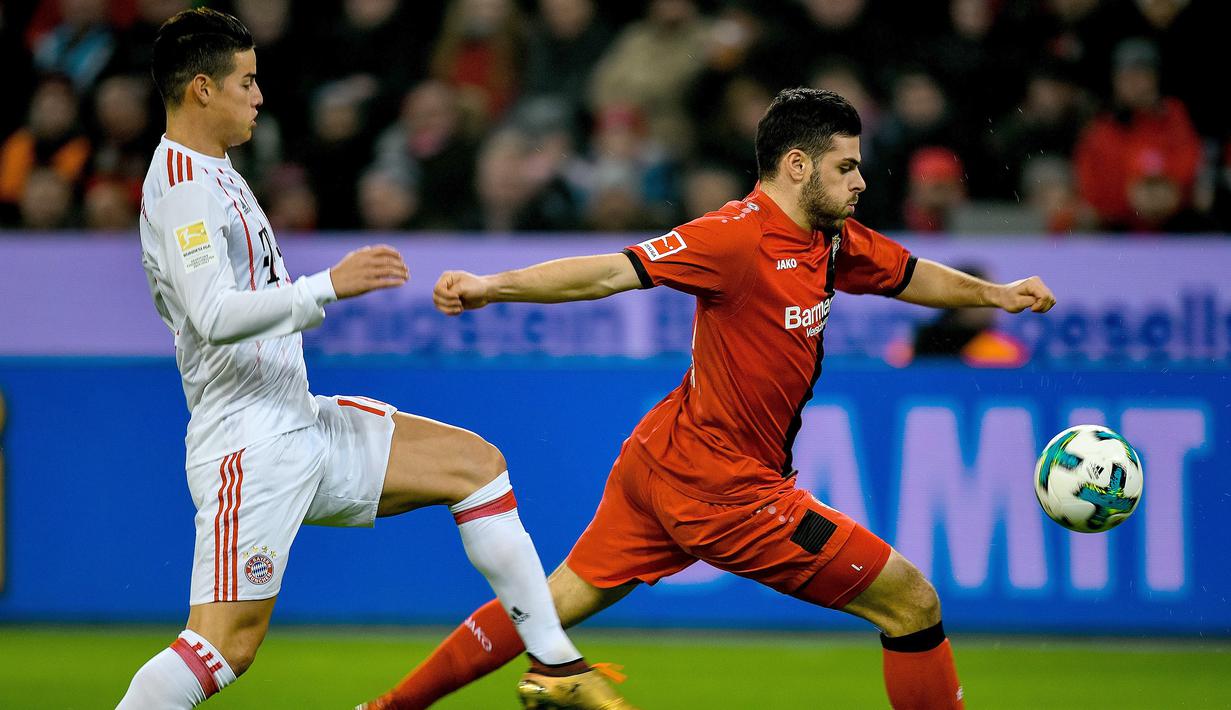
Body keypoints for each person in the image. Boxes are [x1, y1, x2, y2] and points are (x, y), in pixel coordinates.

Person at [364, 88, 1056, 709]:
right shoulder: (735, 236)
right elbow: (609, 272)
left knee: (540, 608)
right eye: (845, 165)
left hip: (665, 457)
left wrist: (992, 294)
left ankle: (387, 709)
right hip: (725, 491)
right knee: (909, 600)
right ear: (796, 166)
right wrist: (492, 286)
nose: (860, 180)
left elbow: (906, 274)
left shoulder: (830, 238)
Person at [117, 10, 631, 709]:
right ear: (201, 88)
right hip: (247, 443)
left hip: (295, 419)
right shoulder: (181, 188)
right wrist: (327, 285)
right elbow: (210, 316)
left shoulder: (216, 172)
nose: (259, 96)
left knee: (474, 467)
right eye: (246, 82)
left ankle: (555, 667)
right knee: (223, 648)